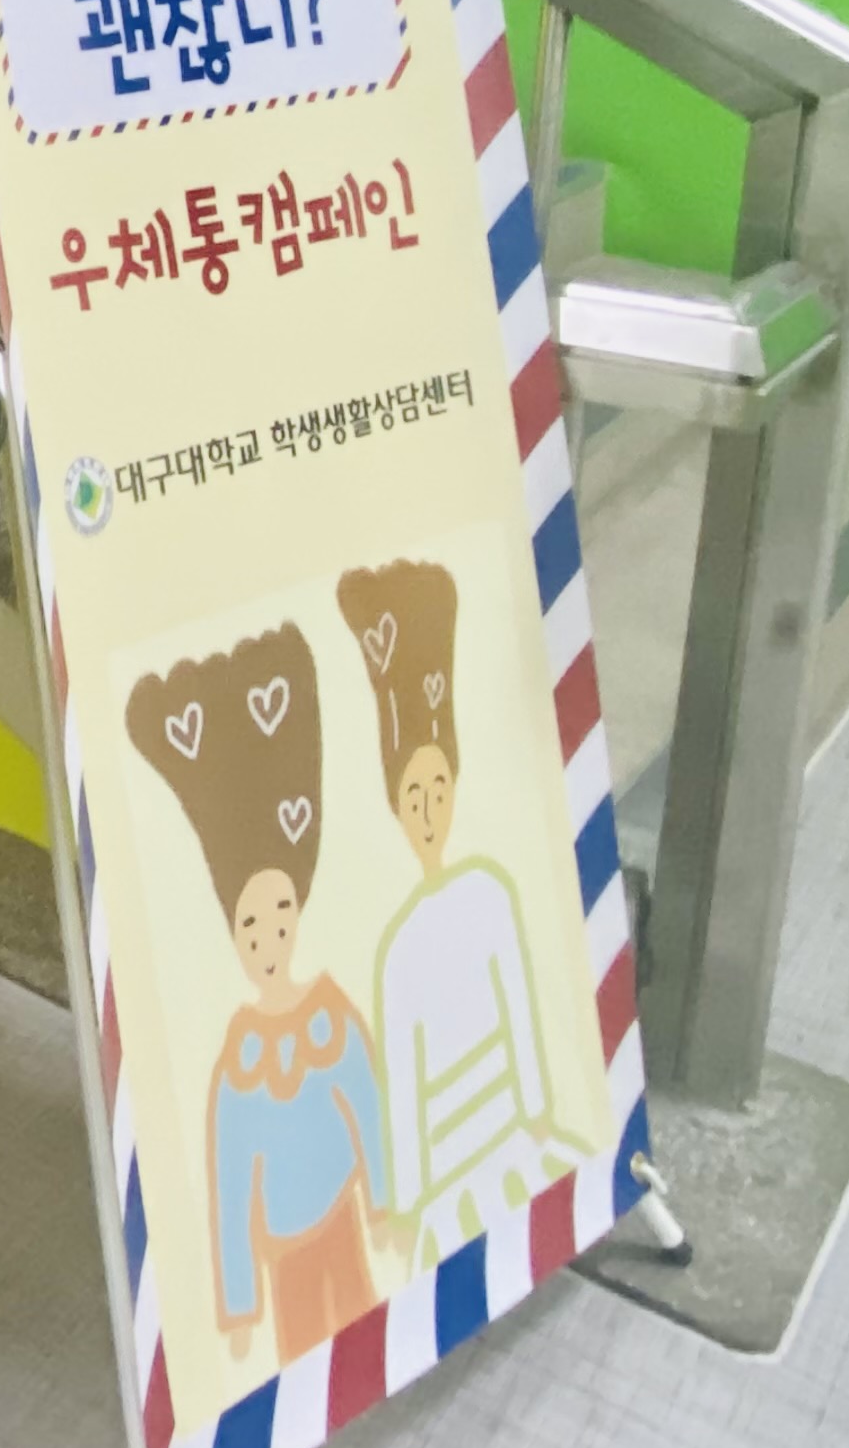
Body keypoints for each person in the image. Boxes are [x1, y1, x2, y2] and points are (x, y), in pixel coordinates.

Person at [124, 624, 388, 1360]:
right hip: (283, 1249)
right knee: (299, 1347)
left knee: (361, 1322)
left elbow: (367, 1109)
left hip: (342, 1214)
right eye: (250, 926)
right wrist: (238, 1308)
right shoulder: (237, 1060)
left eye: (279, 918)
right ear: (232, 935)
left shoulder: (332, 1016)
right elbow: (231, 1181)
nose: (268, 942)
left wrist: (384, 1204)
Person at [341, 561, 579, 1254]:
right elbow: (403, 1081)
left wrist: (537, 1111)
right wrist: (410, 1200)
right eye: (413, 796)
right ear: (395, 807)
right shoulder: (398, 948)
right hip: (445, 1164)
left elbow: (518, 1005)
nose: (427, 810)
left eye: (438, 789)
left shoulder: (490, 893)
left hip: (512, 1131)